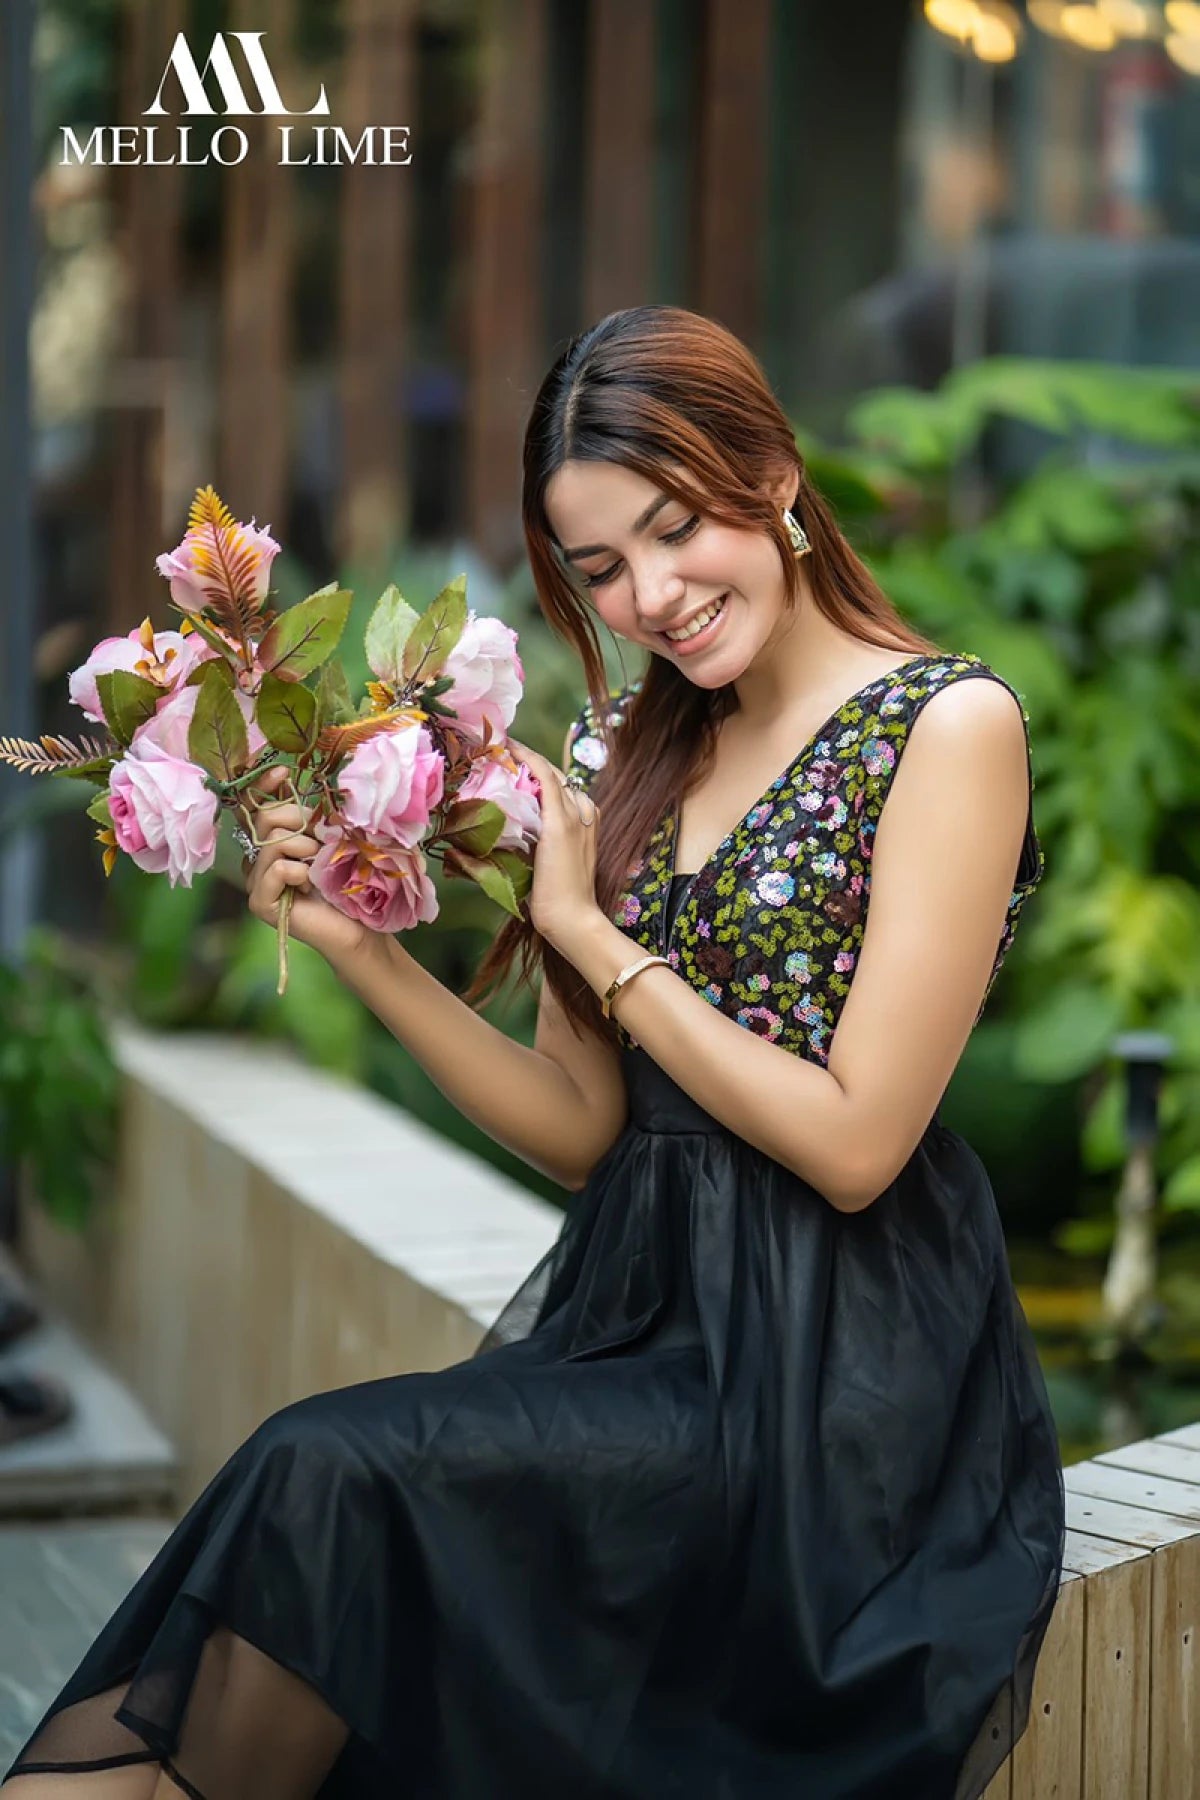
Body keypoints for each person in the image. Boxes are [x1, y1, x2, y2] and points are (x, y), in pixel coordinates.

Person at [3, 304, 1065, 1799]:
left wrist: (592, 936)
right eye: (604, 570)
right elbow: (584, 1128)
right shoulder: (631, 748)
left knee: (332, 1474)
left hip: (837, 1377)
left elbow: (856, 1142)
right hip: (640, 1327)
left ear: (771, 473)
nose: (656, 596)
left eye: (675, 527)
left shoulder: (944, 728)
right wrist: (364, 950)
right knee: (304, 1526)